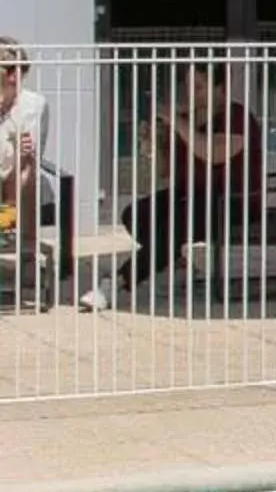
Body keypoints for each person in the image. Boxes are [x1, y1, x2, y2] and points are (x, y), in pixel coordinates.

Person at [81, 62, 265, 313]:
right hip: (191, 194)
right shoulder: (188, 119)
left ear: (221, 87)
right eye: (188, 87)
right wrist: (153, 144)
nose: (191, 94)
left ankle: (119, 281)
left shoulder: (237, 116)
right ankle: (176, 261)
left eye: (199, 87)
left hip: (233, 202)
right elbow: (164, 172)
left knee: (175, 224)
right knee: (136, 214)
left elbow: (213, 152)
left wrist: (178, 123)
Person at [0, 40, 49, 305]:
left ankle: (7, 227)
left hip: (15, 173)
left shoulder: (33, 105)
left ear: (13, 76)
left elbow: (29, 159)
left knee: (25, 174)